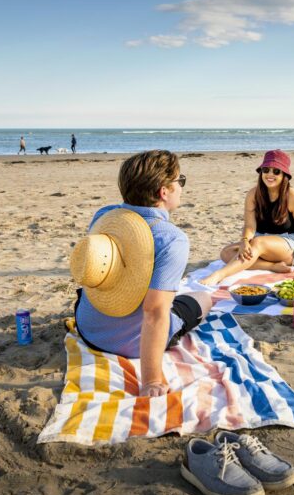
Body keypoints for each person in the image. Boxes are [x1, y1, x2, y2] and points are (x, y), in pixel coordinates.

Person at [71, 150, 212, 397]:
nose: (181, 187)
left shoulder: (104, 216)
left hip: (88, 327)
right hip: (129, 344)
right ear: (163, 192)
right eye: (180, 181)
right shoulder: (172, 239)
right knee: (203, 299)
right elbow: (154, 312)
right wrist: (151, 380)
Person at [199, 149, 294, 286]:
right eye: (266, 170)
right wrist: (244, 241)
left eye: (276, 171)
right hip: (260, 239)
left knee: (258, 242)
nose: (270, 174)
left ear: (284, 175)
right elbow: (249, 226)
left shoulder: (293, 197)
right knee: (226, 253)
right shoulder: (253, 194)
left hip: (288, 244)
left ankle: (219, 275)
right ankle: (271, 266)